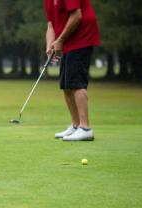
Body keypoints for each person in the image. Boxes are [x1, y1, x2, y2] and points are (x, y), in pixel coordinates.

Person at [45, 0, 100, 141]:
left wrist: (60, 40)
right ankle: (76, 125)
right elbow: (50, 25)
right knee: (66, 85)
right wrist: (50, 45)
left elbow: (77, 15)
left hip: (82, 36)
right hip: (69, 40)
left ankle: (85, 128)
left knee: (76, 83)